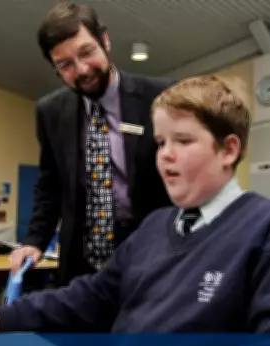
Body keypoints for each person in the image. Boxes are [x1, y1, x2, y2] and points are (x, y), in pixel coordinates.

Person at [0, 74, 270, 336]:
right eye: (160, 142)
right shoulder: (154, 228)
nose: (165, 155)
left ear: (229, 150)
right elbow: (88, 297)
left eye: (183, 141)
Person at [10, 2, 175, 286]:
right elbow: (50, 184)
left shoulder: (161, 97)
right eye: (65, 65)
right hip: (81, 258)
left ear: (105, 41)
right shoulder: (50, 112)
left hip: (151, 248)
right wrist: (34, 241)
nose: (82, 70)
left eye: (87, 52)